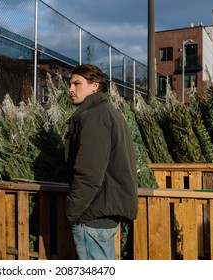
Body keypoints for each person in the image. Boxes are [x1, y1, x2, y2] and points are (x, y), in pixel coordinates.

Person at [65, 64, 138, 260]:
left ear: (94, 86)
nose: (70, 89)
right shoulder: (108, 113)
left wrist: (72, 210)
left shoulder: (95, 117)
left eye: (77, 83)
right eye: (70, 84)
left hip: (92, 215)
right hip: (102, 212)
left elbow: (89, 172)